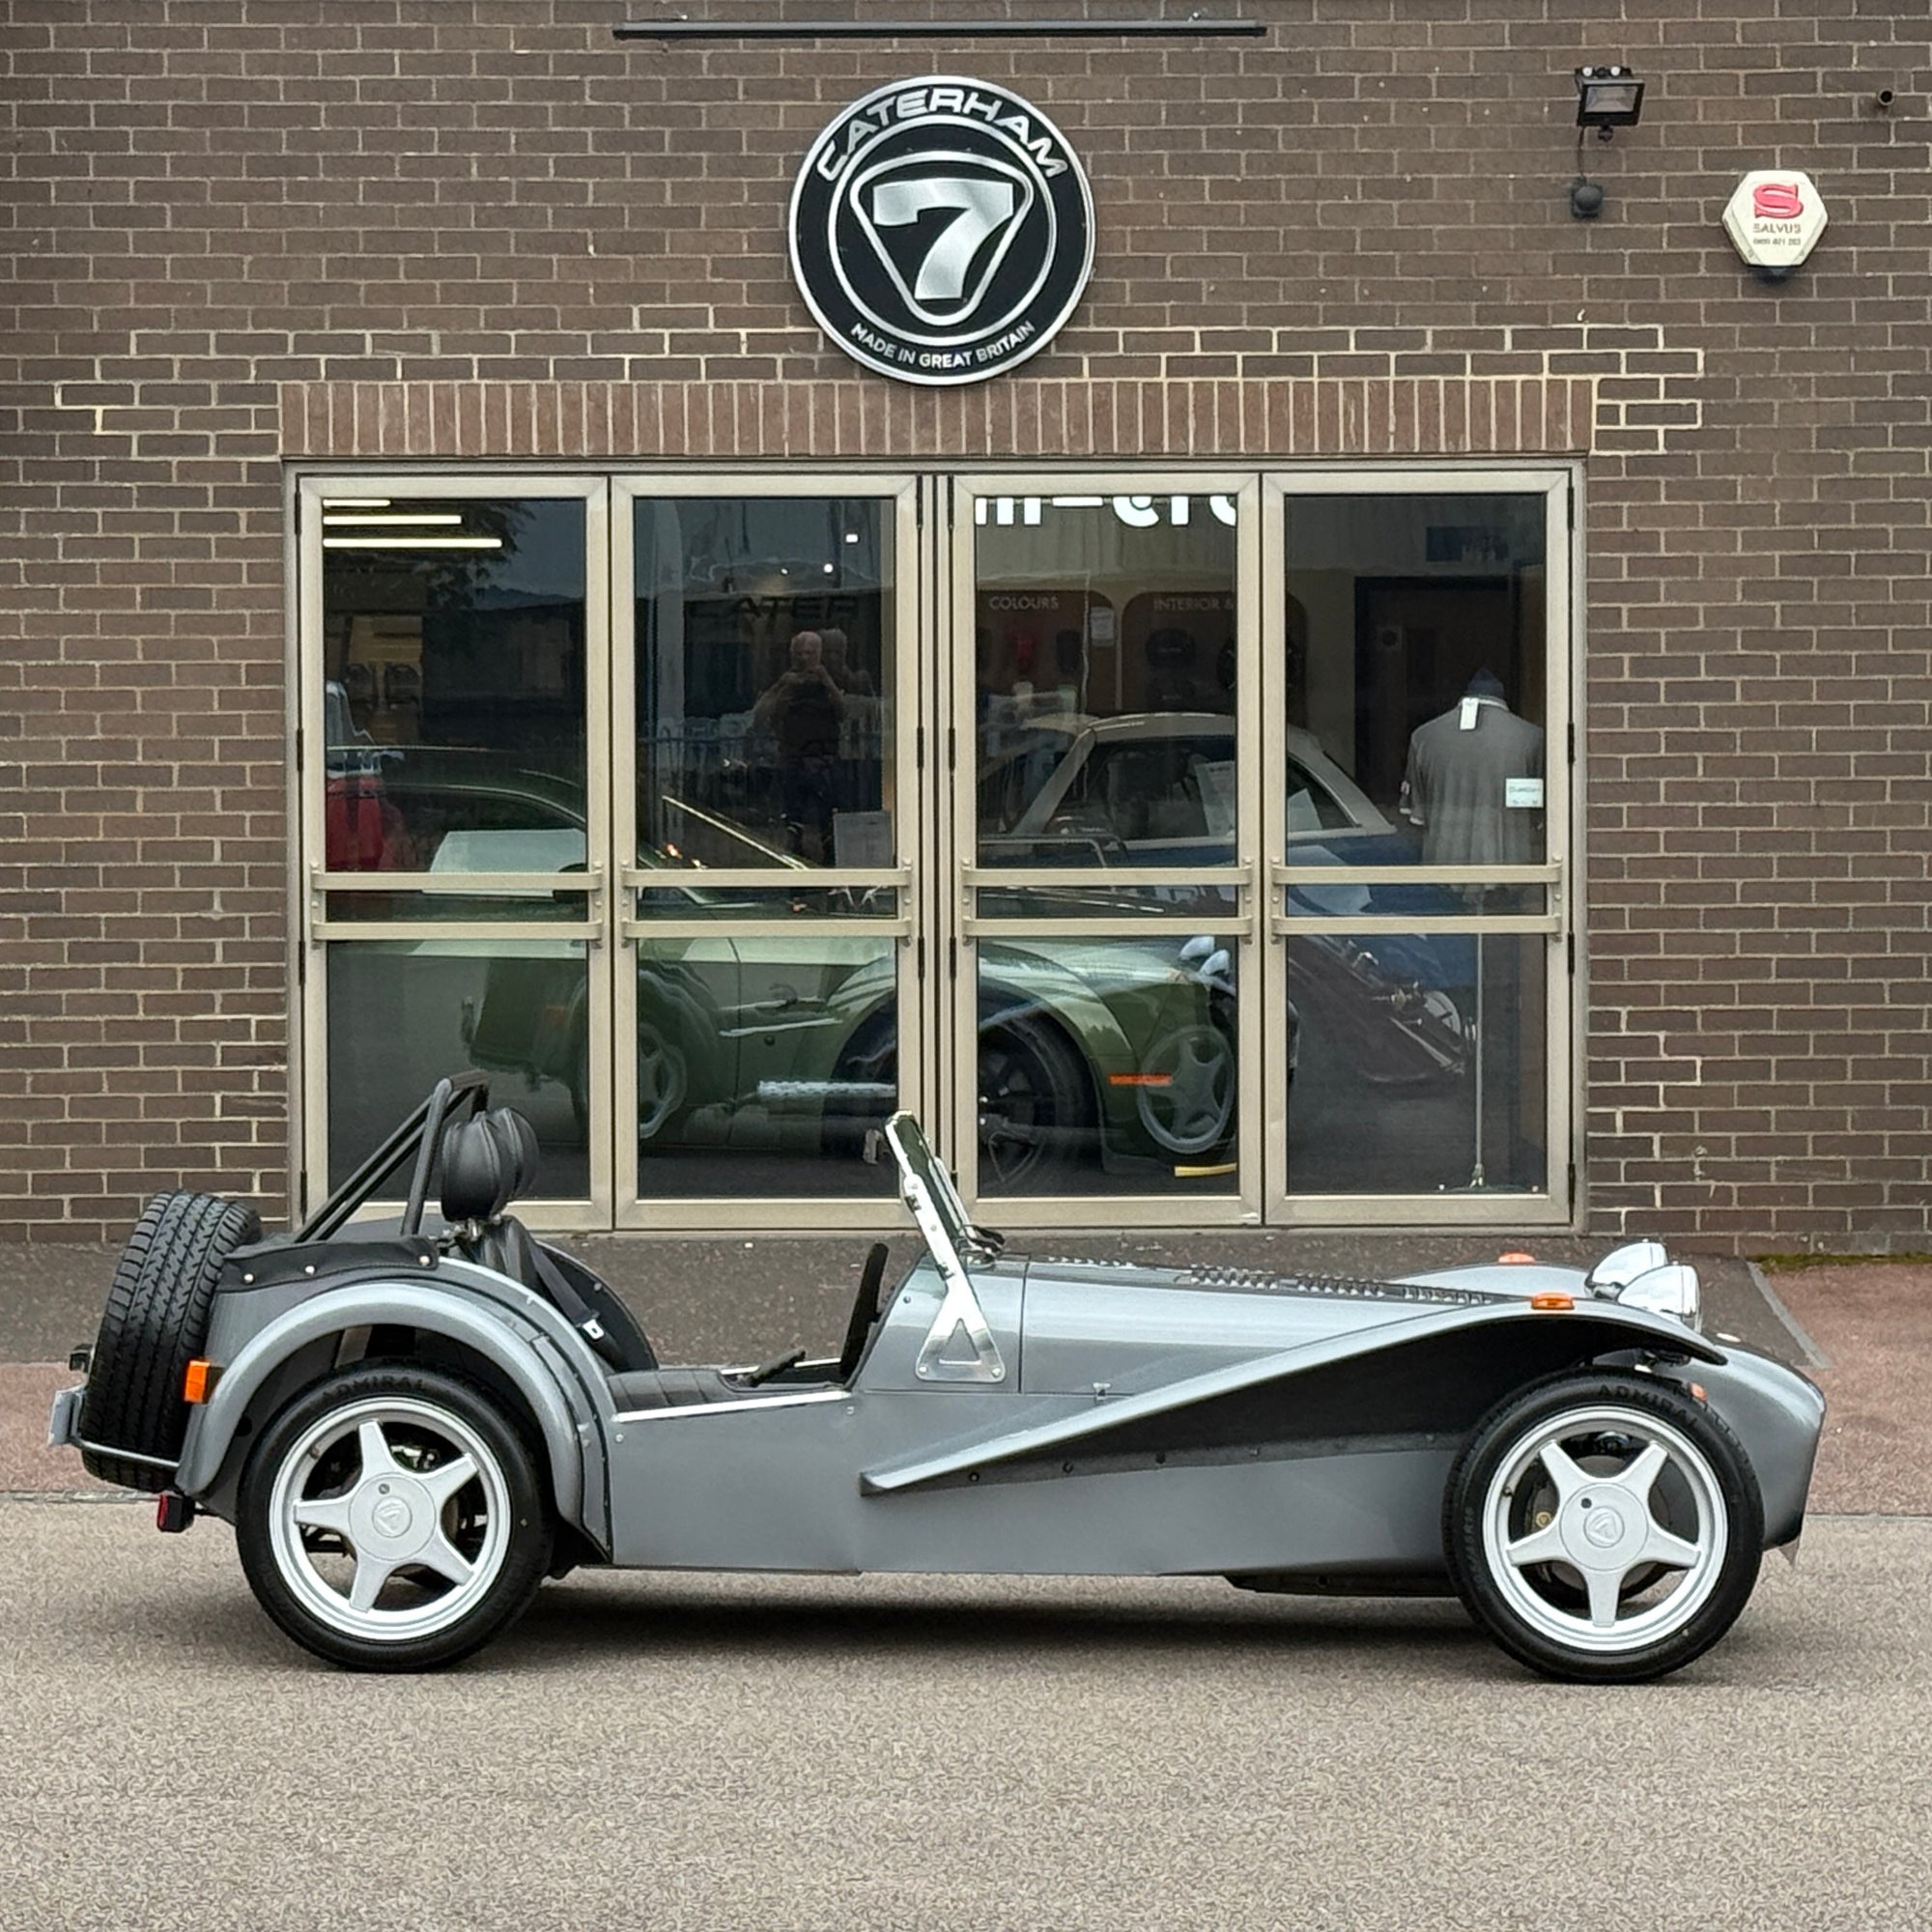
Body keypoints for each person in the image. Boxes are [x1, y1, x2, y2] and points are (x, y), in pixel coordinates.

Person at [1399, 669, 1544, 867]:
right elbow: (1539, 818)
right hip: (1510, 867)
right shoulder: (1534, 738)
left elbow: (1416, 818)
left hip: (1442, 866)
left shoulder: (1423, 737)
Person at [753, 628, 846, 861]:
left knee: (829, 825)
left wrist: (826, 681)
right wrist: (782, 687)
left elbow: (843, 712)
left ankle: (831, 874)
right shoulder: (783, 680)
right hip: (792, 758)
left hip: (824, 759)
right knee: (793, 824)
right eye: (799, 654)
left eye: (810, 653)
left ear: (820, 654)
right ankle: (795, 877)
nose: (804, 659)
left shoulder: (831, 677)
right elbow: (759, 716)